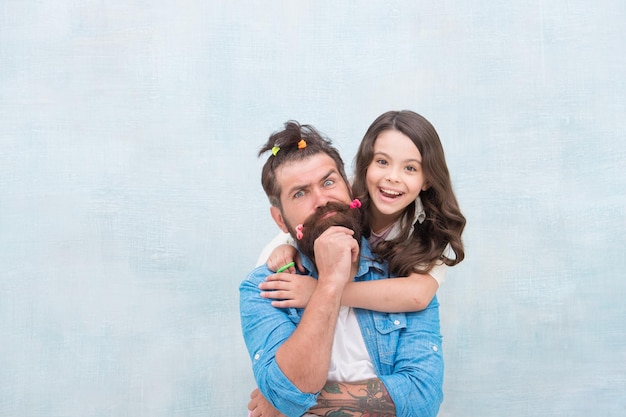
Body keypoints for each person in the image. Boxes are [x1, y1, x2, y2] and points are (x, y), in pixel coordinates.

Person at [240, 120, 444, 417]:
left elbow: (422, 399)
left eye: (328, 182)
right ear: (281, 220)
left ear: (349, 188)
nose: (322, 200)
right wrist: (330, 284)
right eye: (300, 193)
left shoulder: (406, 270)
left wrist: (293, 403)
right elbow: (288, 393)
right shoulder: (265, 287)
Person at [258, 110, 466, 314]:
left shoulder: (434, 227)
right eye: (382, 162)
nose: (393, 177)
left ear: (427, 179)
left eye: (410, 168)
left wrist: (319, 292)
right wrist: (287, 247)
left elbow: (417, 295)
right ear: (365, 165)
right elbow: (301, 227)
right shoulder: (343, 199)